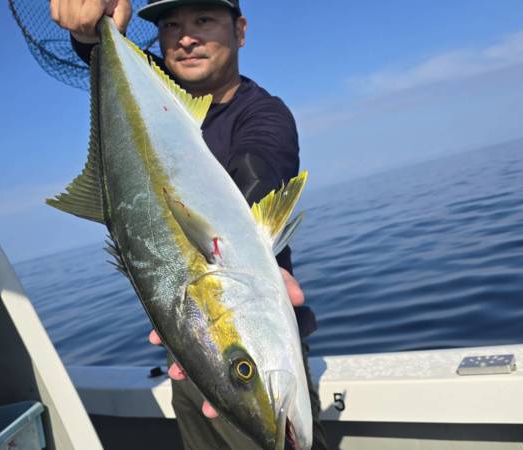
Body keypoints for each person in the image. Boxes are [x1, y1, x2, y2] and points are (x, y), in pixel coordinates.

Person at [51, 1, 327, 448]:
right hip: (188, 357)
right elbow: (107, 58)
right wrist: (89, 32)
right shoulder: (151, 86)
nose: (185, 37)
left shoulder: (262, 114)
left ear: (240, 30)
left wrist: (244, 250)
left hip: (204, 346)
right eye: (171, 25)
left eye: (203, 20)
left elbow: (259, 174)